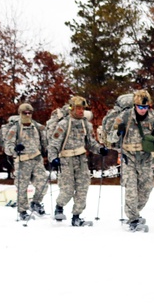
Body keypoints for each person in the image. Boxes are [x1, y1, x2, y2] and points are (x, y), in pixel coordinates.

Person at [102, 90, 154, 231]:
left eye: (145, 107)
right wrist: (118, 132)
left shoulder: (152, 117)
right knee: (131, 189)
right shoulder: (124, 116)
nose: (143, 110)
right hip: (128, 157)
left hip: (145, 157)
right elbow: (111, 138)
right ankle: (133, 219)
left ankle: (134, 211)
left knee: (147, 186)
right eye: (140, 107)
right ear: (135, 105)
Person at [48, 95, 107, 226]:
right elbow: (54, 143)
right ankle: (59, 206)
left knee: (83, 187)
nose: (81, 111)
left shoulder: (86, 124)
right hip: (66, 160)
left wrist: (100, 149)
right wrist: (53, 158)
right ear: (72, 108)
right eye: (78, 108)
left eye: (83, 108)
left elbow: (91, 143)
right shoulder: (63, 124)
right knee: (68, 189)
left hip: (81, 159)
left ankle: (76, 216)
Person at [3, 103, 49, 221]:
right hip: (22, 161)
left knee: (43, 183)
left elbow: (45, 140)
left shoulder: (37, 127)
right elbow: (7, 146)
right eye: (25, 113)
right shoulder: (15, 128)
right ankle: (22, 210)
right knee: (22, 187)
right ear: (20, 113)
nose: (27, 115)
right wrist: (15, 149)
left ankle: (36, 202)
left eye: (29, 113)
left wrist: (49, 152)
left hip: (36, 159)